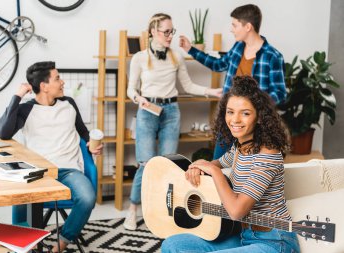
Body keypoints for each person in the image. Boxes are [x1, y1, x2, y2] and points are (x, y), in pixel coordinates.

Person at [161, 76, 299, 253]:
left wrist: (213, 171)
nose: (235, 120)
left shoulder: (268, 154)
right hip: (243, 236)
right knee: (172, 244)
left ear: (259, 117)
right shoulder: (240, 147)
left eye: (245, 113)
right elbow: (217, 163)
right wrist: (199, 166)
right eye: (230, 111)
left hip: (274, 241)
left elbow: (236, 211)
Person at [124, 13, 222, 231]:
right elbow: (131, 88)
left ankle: (159, 210)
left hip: (171, 112)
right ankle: (132, 209)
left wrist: (211, 91)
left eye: (172, 31)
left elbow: (188, 86)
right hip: (148, 111)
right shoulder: (140, 58)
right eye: (166, 31)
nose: (170, 36)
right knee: (145, 164)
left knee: (169, 164)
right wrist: (138, 98)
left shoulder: (176, 56)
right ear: (153, 32)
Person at [0, 61, 103, 253]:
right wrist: (17, 96)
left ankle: (60, 244)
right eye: (57, 78)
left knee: (87, 198)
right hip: (38, 174)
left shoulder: (68, 104)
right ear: (44, 86)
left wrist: (90, 144)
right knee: (22, 197)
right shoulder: (27, 109)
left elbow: (83, 132)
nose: (62, 82)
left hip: (69, 170)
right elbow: (3, 132)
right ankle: (25, 244)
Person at [179, 4, 287, 159]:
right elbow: (218, 64)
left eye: (235, 25)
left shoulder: (273, 56)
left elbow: (280, 93)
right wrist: (190, 49)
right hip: (229, 122)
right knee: (218, 164)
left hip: (255, 126)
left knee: (245, 172)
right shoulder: (238, 48)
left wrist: (255, 102)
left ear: (248, 26)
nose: (232, 29)